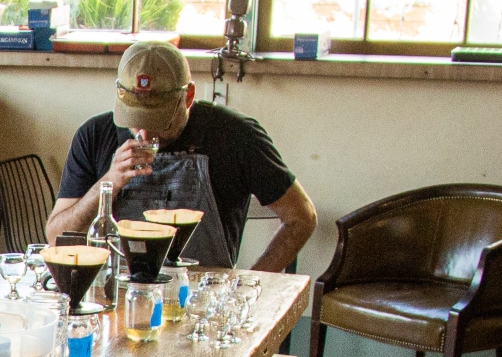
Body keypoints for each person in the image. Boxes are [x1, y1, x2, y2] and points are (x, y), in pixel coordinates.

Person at [45, 41, 317, 272]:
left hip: (202, 302)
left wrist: (253, 283)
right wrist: (109, 183)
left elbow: (301, 218)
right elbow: (57, 236)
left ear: (188, 97)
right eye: (134, 120)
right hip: (117, 295)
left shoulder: (235, 136)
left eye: (157, 120)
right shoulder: (94, 135)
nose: (144, 132)